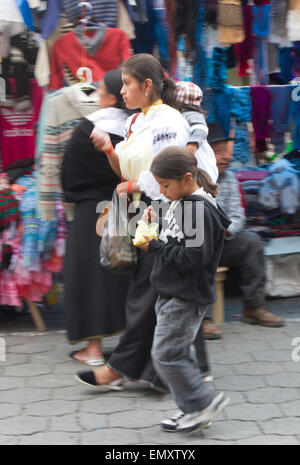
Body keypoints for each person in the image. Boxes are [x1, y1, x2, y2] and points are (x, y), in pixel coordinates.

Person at [75, 53, 212, 391]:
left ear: (147, 85)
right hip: (143, 212)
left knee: (148, 289)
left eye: (127, 84)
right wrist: (109, 150)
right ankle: (184, 370)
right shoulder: (134, 122)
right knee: (158, 289)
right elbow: (126, 170)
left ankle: (121, 368)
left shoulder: (167, 121)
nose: (122, 91)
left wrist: (134, 185)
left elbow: (172, 171)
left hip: (167, 212)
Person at [134, 146, 230, 432]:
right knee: (178, 352)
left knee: (166, 354)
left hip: (185, 295)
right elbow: (181, 237)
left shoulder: (197, 208)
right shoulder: (185, 202)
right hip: (173, 292)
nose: (162, 191)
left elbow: (193, 257)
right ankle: (191, 408)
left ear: (187, 178)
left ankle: (203, 403)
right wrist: (156, 221)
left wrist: (154, 246)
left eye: (165, 185)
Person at [61, 69, 131, 365]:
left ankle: (93, 349)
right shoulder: (134, 126)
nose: (96, 93)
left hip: (92, 209)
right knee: (124, 274)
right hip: (127, 203)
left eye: (101, 89)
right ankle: (132, 344)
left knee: (91, 277)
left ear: (112, 96)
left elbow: (69, 172)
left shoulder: (89, 127)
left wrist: (73, 196)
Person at [202, 122, 285, 340]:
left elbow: (238, 215)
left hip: (224, 240)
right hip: (203, 243)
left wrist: (226, 231)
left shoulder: (228, 179)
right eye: (218, 151)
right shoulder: (195, 178)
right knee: (198, 245)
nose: (226, 157)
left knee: (253, 242)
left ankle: (253, 307)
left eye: (227, 151)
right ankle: (203, 318)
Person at [175, 81, 218, 184]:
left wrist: (193, 145)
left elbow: (200, 128)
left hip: (201, 170)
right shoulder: (185, 114)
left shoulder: (190, 114)